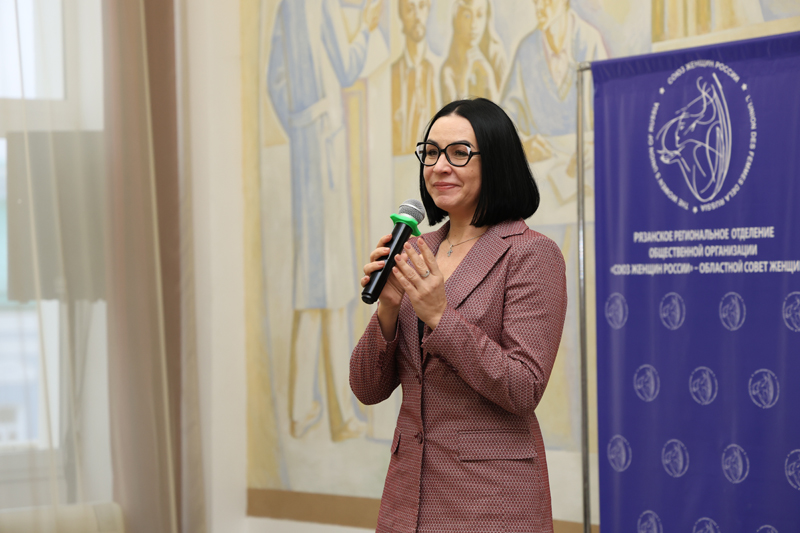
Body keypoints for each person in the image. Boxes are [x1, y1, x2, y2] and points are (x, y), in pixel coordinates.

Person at [350, 98, 567, 532]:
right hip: (406, 499)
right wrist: (388, 307)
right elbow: (367, 389)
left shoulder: (531, 254)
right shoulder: (417, 250)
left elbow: (523, 388)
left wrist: (440, 316)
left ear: (496, 161)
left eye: (459, 153)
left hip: (490, 502)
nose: (439, 167)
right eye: (431, 153)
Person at [267, 0, 382, 441]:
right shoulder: (324, 5)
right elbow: (349, 66)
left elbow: (275, 82)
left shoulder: (288, 8)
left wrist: (300, 125)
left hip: (306, 148)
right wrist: (367, 28)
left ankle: (302, 410)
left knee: (311, 284)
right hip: (327, 148)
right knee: (331, 287)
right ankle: (341, 415)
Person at [501, 0, 607, 163]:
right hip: (542, 165)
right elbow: (506, 114)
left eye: (546, 1)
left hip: (584, 164)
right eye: (536, 1)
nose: (539, 7)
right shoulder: (526, 50)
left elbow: (609, 112)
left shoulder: (590, 42)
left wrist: (595, 147)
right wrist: (523, 144)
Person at [392, 0, 438, 156]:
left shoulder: (438, 69)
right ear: (402, 16)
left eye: (422, 6)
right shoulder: (393, 75)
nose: (418, 16)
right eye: (410, 9)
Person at [440, 0, 507, 104]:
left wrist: (489, 76)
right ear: (457, 20)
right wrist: (463, 78)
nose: (473, 25)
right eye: (467, 16)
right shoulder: (449, 70)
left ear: (487, 18)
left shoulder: (496, 55)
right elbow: (452, 112)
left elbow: (505, 110)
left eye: (479, 15)